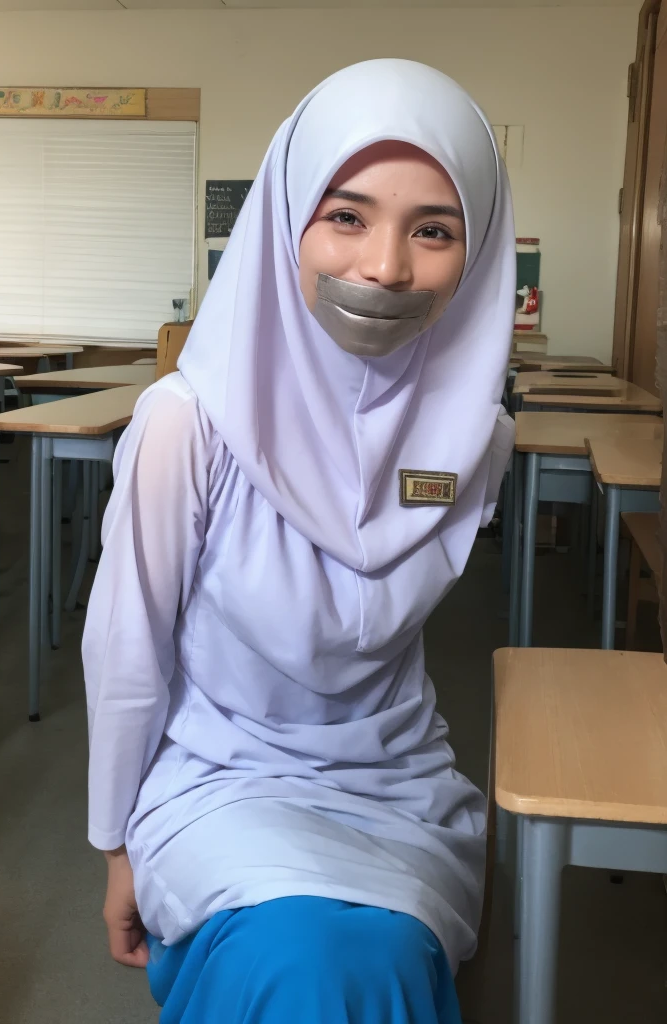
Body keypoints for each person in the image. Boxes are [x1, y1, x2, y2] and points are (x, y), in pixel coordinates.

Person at [83, 58, 515, 1023]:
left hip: (399, 784)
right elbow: (126, 650)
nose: (386, 268)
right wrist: (116, 843)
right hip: (217, 775)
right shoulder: (186, 423)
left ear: (478, 252)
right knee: (313, 975)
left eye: (434, 230)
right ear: (286, 225)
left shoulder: (479, 442)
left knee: (380, 961)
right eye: (346, 216)